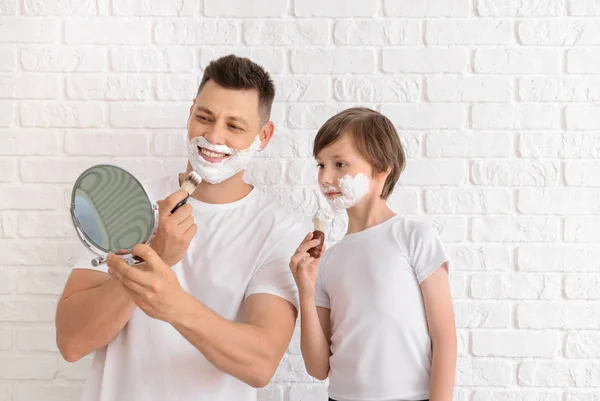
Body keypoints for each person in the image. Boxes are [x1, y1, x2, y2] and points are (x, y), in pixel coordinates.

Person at [55, 55, 308, 401]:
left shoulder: (279, 230)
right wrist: (153, 255)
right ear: (190, 113)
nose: (214, 136)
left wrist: (172, 302)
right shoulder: (130, 201)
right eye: (205, 117)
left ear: (263, 135)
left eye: (235, 126)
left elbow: (260, 364)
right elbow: (71, 342)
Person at [289, 107, 457, 401]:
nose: (326, 178)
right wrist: (305, 289)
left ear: (381, 169)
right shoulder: (328, 259)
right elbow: (317, 368)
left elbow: (445, 339)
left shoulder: (413, 237)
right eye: (320, 165)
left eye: (340, 164)